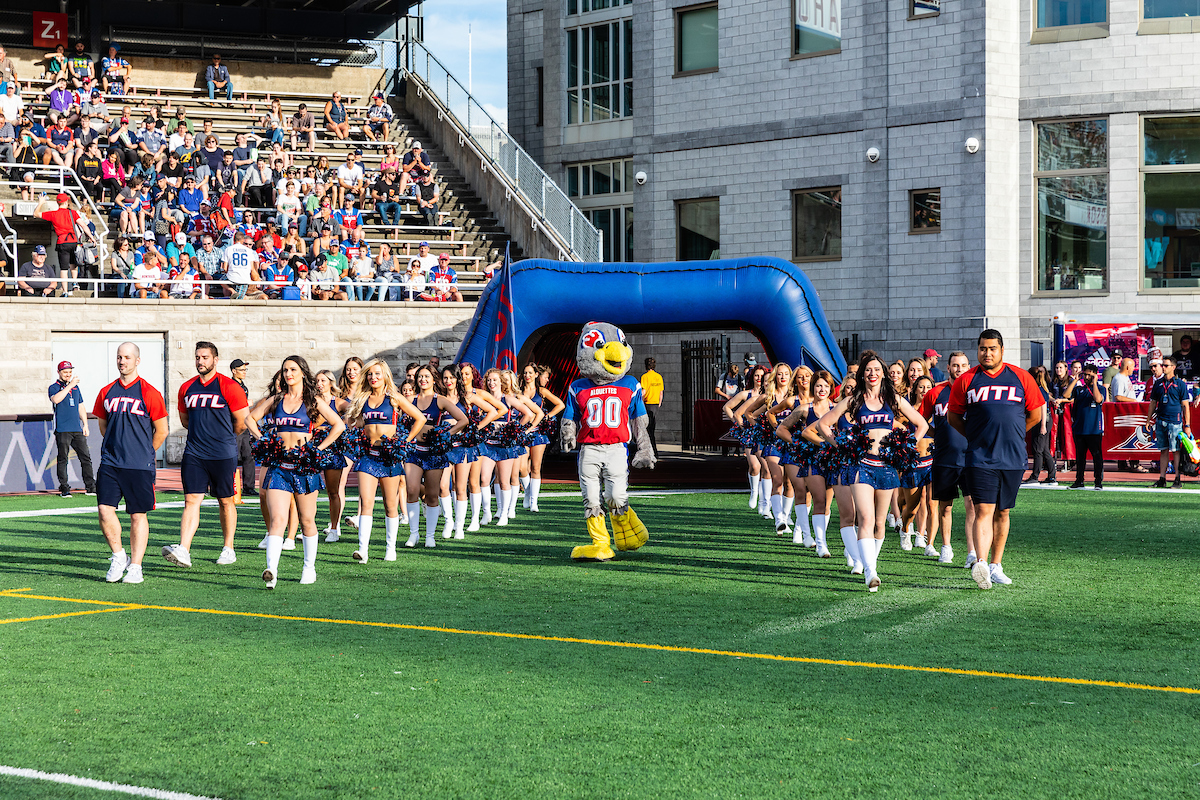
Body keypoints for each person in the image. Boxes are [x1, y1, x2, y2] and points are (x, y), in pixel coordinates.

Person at [818, 352, 928, 593]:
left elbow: (922, 424)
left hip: (887, 465)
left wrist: (905, 446)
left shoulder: (893, 399)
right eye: (868, 370)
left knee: (880, 521)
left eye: (877, 369)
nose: (872, 374)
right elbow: (823, 424)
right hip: (861, 464)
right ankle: (870, 571)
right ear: (862, 375)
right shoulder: (853, 401)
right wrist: (841, 445)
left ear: (884, 373)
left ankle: (870, 563)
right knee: (865, 518)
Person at [947, 330, 1045, 590]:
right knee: (983, 510)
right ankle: (981, 564)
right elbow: (954, 417)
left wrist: (1012, 433)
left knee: (1003, 511)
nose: (987, 353)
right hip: (979, 458)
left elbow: (1035, 414)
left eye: (992, 348)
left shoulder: (1021, 377)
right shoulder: (966, 381)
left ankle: (996, 565)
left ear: (1002, 350)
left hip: (1012, 458)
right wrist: (976, 436)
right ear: (977, 350)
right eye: (982, 348)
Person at [246, 356, 344, 587]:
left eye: (293, 369)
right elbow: (250, 418)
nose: (288, 373)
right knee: (278, 520)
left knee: (308, 520)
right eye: (285, 370)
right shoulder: (277, 399)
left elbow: (338, 425)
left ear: (302, 373)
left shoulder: (313, 400)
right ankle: (272, 570)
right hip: (280, 466)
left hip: (304, 466)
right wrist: (263, 440)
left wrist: (317, 448)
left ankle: (309, 568)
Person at [161, 342, 249, 570]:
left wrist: (223, 438)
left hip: (222, 453)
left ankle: (228, 547)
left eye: (205, 357)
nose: (200, 361)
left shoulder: (229, 386)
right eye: (198, 357)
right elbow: (185, 420)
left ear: (215, 360)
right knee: (191, 500)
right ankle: (184, 549)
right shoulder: (186, 387)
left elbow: (241, 422)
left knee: (225, 500)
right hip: (195, 453)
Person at [93, 343, 169, 584]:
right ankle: (118, 556)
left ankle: (136, 566)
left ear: (137, 361)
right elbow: (103, 426)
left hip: (139, 465)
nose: (122, 361)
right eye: (119, 357)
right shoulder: (106, 392)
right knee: (105, 510)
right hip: (111, 462)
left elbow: (162, 430)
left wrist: (144, 451)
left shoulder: (150, 393)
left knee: (137, 515)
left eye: (126, 357)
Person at [402, 364, 469, 547]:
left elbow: (464, 420)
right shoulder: (409, 399)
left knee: (432, 494)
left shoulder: (440, 400)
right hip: (414, 451)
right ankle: (414, 534)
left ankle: (429, 536)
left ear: (433, 379)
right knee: (412, 490)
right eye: (420, 377)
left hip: (434, 453)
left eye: (426, 376)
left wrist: (446, 434)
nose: (423, 380)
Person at [49, 360, 97, 498]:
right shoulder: (54, 387)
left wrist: (85, 425)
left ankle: (90, 487)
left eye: (70, 372)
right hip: (63, 429)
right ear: (59, 372)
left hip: (76, 428)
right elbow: (56, 399)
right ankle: (64, 488)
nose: (68, 374)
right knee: (63, 458)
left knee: (85, 458)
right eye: (65, 372)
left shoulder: (76, 388)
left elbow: (81, 406)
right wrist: (70, 385)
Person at [36, 194, 97, 297]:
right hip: (74, 242)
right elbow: (83, 225)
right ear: (66, 202)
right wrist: (91, 237)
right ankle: (75, 284)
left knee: (64, 268)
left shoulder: (53, 214)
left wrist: (41, 202)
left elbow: (36, 214)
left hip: (62, 242)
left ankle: (64, 291)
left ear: (58, 202)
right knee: (74, 264)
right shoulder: (72, 213)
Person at [1148, 355, 1191, 489]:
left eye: (1166, 365)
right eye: (1163, 365)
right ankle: (1162, 478)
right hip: (1161, 420)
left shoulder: (1180, 384)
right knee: (1163, 450)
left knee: (1176, 450)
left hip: (1175, 421)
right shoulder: (1158, 383)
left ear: (1173, 367)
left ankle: (1177, 478)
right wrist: (1148, 419)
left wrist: (1187, 425)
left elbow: (1185, 405)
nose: (1163, 367)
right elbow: (1153, 403)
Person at [1064, 363, 1107, 490]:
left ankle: (1098, 481)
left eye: (1089, 375)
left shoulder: (1101, 388)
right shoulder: (1079, 389)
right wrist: (1075, 380)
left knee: (1097, 456)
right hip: (1080, 428)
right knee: (1080, 457)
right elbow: (1066, 395)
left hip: (1094, 429)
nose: (1087, 377)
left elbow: (1098, 399)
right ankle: (1079, 481)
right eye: (1085, 374)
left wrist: (1094, 383)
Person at [1024, 366, 1057, 487]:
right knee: (1044, 450)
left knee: (1038, 449)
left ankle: (1035, 476)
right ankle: (1052, 476)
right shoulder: (1042, 389)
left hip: (1042, 421)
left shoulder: (1038, 389)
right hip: (1044, 421)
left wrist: (1042, 425)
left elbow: (1043, 407)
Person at [221, 231, 265, 299]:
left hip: (232, 276)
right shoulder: (249, 251)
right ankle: (234, 292)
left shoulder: (228, 249)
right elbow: (252, 268)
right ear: (242, 240)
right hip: (244, 278)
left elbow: (224, 267)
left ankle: (232, 290)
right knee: (239, 300)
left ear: (234, 239)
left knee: (221, 281)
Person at [639, 357, 664, 458]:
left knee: (646, 430)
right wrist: (659, 403)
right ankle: (653, 451)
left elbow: (643, 392)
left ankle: (650, 452)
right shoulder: (659, 376)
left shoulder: (645, 377)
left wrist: (639, 401)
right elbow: (661, 392)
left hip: (647, 404)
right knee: (651, 428)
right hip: (655, 404)